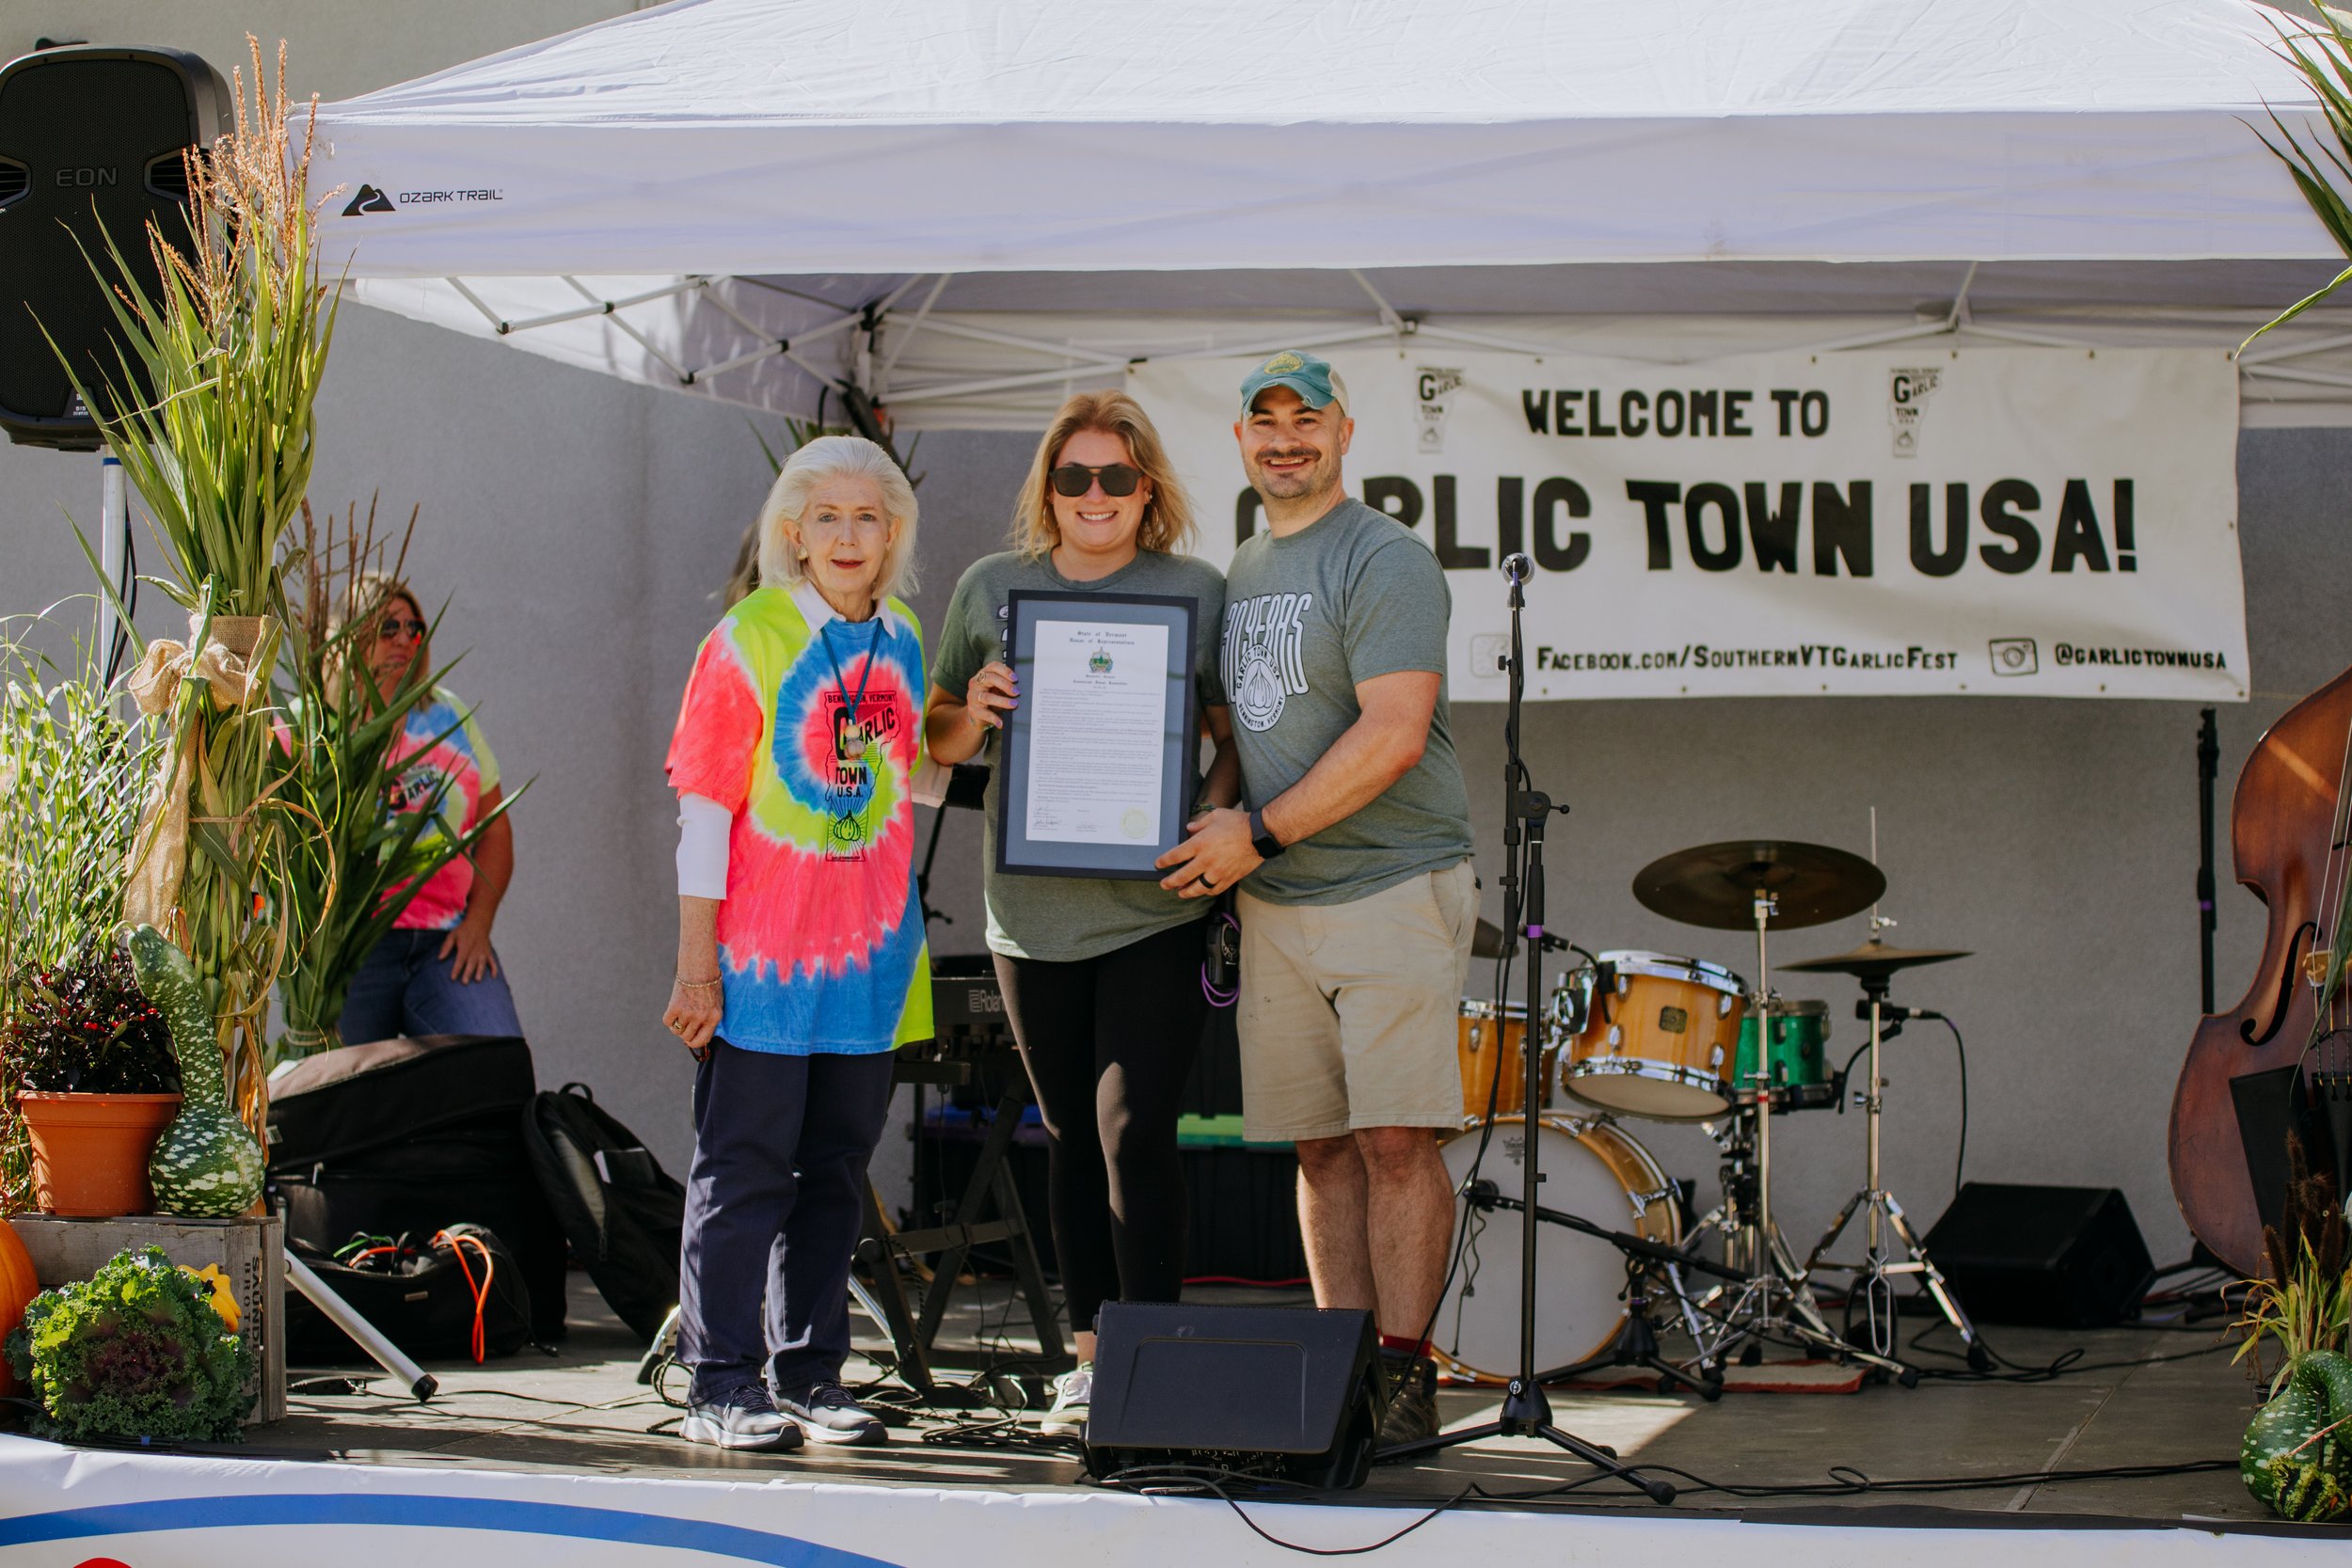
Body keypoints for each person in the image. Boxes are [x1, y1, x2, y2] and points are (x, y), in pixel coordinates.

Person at [1155, 351, 1476, 1449]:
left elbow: (1390, 734)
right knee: (1320, 1147)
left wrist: (1252, 833)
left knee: (1395, 1141)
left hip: (1391, 883)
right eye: (1264, 422)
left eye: (1307, 419)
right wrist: (1209, 822)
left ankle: (1402, 1370)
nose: (1285, 438)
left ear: (1345, 433)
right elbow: (1243, 734)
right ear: (1240, 442)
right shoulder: (1240, 569)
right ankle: (1343, 1371)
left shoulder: (1384, 558)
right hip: (1278, 900)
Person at [924, 390, 1239, 1437]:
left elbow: (1225, 726)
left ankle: (1155, 1351)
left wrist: (1216, 808)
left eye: (1115, 476)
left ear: (1146, 488)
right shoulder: (989, 585)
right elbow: (935, 739)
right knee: (1067, 1134)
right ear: (1048, 489)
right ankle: (1091, 1359)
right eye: (1073, 476)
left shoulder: (1194, 587)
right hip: (1029, 912)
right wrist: (976, 708)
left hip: (1157, 904)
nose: (1093, 495)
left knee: (1134, 1128)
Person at [661, 435, 933, 1452]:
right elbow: (704, 811)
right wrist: (698, 963)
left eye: (869, 517)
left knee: (835, 1171)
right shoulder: (748, 636)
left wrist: (985, 721)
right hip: (763, 959)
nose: (849, 536)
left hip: (866, 964)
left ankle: (811, 1373)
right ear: (793, 533)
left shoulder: (902, 637)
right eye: (829, 517)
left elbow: (906, 778)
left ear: (894, 532)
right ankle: (720, 1380)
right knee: (743, 1169)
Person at [335, 576, 522, 1045]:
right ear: (347, 637)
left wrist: (479, 923)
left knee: (498, 1060)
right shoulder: (316, 726)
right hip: (352, 951)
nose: (404, 638)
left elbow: (496, 831)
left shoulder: (448, 713)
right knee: (347, 1097)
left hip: (444, 942)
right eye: (387, 627)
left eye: (414, 628)